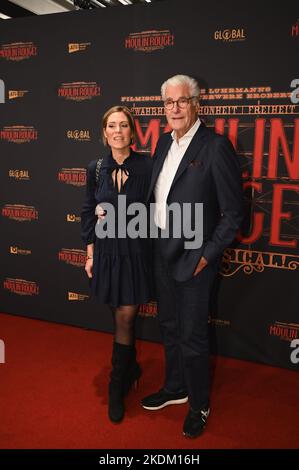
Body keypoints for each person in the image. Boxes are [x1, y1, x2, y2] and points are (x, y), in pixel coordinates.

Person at [141, 75, 244, 438]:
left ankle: (199, 402)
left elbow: (234, 213)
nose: (175, 108)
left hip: (194, 261)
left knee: (194, 337)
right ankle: (175, 388)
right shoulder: (162, 145)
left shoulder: (215, 147)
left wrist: (206, 256)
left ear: (196, 104)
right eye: (169, 103)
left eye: (182, 101)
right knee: (168, 327)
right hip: (162, 255)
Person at [81, 105, 152, 424]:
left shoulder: (148, 165)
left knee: (126, 317)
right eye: (112, 125)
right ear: (104, 132)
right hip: (107, 253)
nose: (118, 131)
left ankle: (115, 386)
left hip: (136, 252)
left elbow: (158, 210)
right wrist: (90, 253)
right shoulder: (95, 168)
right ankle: (132, 366)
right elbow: (87, 211)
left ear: (132, 131)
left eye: (124, 125)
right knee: (116, 313)